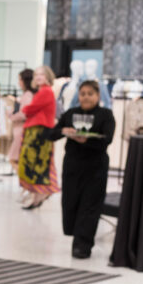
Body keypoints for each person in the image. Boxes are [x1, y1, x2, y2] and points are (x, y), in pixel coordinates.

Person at [43, 79, 115, 258]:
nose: (86, 97)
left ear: (98, 96)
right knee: (71, 202)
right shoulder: (71, 113)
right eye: (83, 94)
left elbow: (107, 139)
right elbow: (50, 134)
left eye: (90, 94)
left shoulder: (106, 114)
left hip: (95, 167)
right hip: (73, 167)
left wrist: (86, 141)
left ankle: (83, 245)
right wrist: (64, 132)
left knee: (90, 205)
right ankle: (76, 237)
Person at [13, 65, 60, 209]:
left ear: (48, 77)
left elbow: (31, 108)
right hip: (35, 130)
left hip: (39, 132)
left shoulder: (45, 91)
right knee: (34, 164)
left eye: (42, 75)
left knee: (36, 164)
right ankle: (37, 196)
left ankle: (39, 195)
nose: (39, 77)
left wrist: (23, 110)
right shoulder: (43, 91)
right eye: (37, 75)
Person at [7, 68, 35, 192]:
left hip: (21, 131)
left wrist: (11, 116)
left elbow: (24, 113)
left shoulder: (27, 95)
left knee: (14, 159)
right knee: (19, 160)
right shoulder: (28, 95)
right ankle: (26, 186)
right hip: (21, 131)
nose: (19, 82)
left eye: (20, 79)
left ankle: (28, 186)